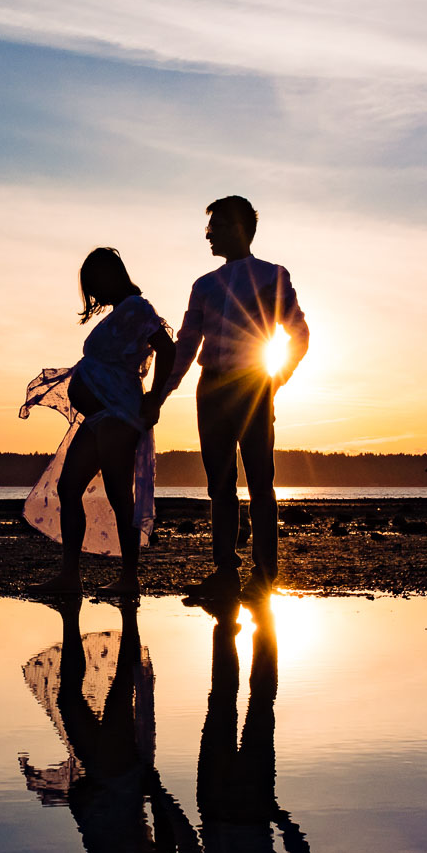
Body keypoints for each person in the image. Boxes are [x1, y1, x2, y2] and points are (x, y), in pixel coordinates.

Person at [148, 196, 308, 601]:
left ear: (238, 228)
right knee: (219, 484)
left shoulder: (273, 275)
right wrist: (159, 395)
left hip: (253, 385)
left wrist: (277, 378)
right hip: (212, 387)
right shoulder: (204, 285)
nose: (208, 234)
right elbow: (185, 346)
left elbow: (299, 334)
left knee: (260, 482)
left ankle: (264, 574)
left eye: (216, 226)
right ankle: (224, 572)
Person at [149, 598, 310, 853]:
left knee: (257, 706)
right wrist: (158, 791)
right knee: (224, 703)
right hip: (224, 804)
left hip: (251, 805)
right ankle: (227, 621)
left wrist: (279, 816)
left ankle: (258, 618)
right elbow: (186, 841)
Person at [18, 599, 174, 853]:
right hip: (121, 774)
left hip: (107, 775)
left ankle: (81, 619)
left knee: (77, 700)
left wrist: (81, 795)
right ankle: (123, 615)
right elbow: (167, 839)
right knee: (113, 692)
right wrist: (155, 789)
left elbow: (92, 820)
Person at [20, 248, 175, 595]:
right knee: (68, 487)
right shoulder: (123, 312)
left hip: (119, 414)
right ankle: (70, 576)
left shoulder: (137, 308)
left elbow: (168, 349)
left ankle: (129, 579)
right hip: (100, 416)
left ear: (110, 276)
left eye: (95, 284)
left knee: (120, 493)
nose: (94, 294)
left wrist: (155, 398)